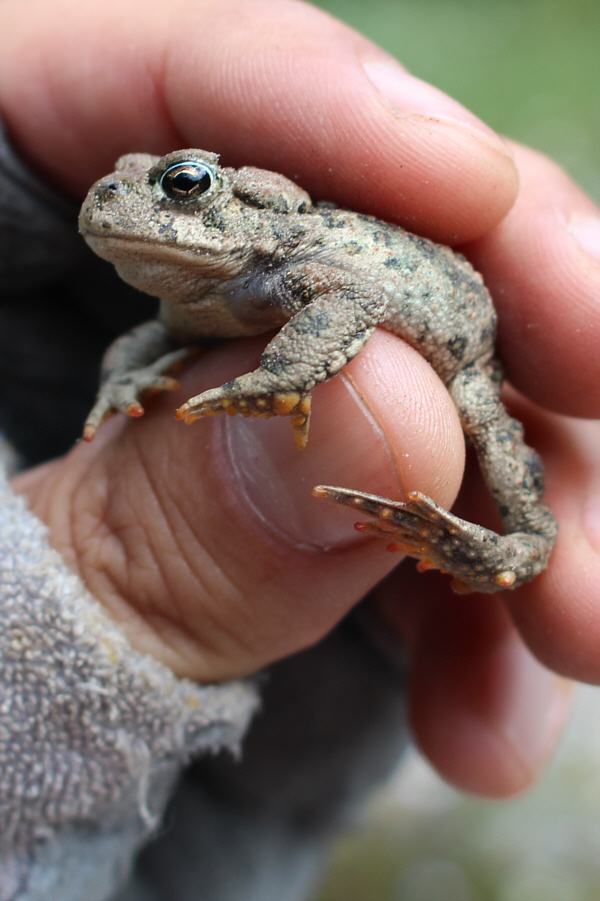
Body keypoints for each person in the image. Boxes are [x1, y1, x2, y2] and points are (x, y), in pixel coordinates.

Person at [1, 0, 599, 898]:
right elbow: (137, 347)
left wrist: (280, 380)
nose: (125, 198)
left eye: (181, 186)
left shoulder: (297, 256)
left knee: (494, 449)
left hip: (459, 341)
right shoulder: (190, 300)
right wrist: (124, 382)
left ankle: (513, 546)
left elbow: (350, 304)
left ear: (239, 206)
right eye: (127, 183)